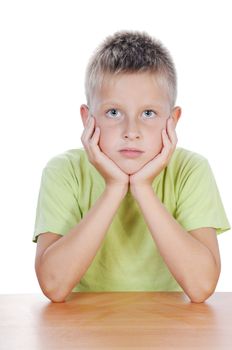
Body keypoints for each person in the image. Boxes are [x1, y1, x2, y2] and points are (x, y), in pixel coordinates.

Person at [33, 30, 230, 303]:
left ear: (172, 121)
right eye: (114, 112)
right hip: (85, 332)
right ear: (87, 118)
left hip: (169, 333)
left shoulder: (191, 169)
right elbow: (54, 286)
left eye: (148, 113)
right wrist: (114, 187)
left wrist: (142, 187)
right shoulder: (63, 171)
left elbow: (201, 287)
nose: (131, 131)